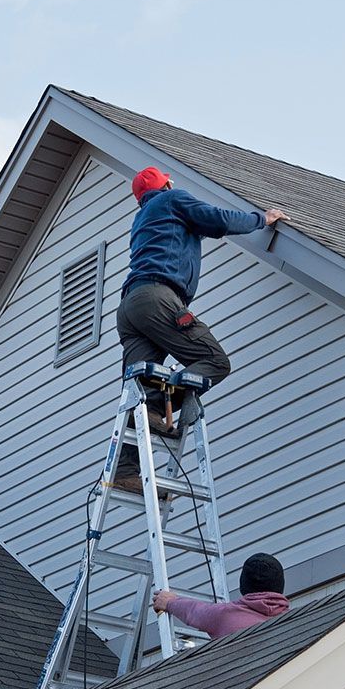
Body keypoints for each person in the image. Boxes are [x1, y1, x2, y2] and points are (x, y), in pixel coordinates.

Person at [111, 167, 286, 494]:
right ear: (166, 185)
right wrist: (261, 219)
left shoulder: (144, 219)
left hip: (130, 307)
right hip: (158, 298)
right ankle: (161, 409)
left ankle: (124, 469)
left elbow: (194, 229)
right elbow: (217, 219)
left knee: (138, 391)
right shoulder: (173, 199)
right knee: (215, 361)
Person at [151, 553, 290, 641]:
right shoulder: (291, 620)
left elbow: (195, 612)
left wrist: (170, 602)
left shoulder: (226, 616)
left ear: (243, 585)